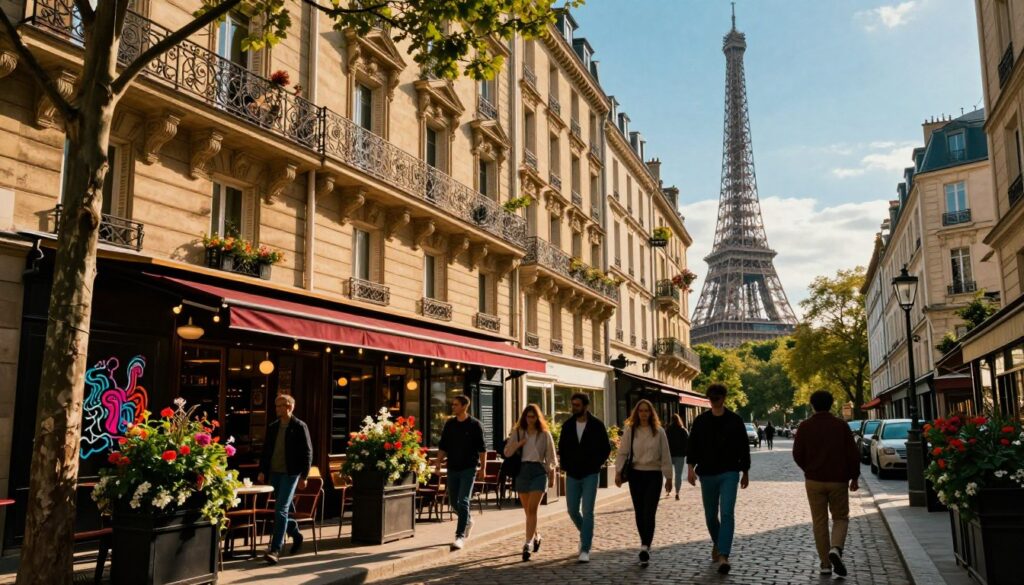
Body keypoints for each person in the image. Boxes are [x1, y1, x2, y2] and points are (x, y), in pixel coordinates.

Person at [793, 390, 861, 577]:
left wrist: (809, 468)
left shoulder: (805, 426)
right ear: (831, 405)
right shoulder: (841, 426)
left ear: (812, 405)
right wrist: (854, 476)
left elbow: (797, 453)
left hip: (814, 480)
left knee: (819, 521)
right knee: (840, 518)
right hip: (838, 480)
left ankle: (825, 564)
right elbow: (853, 454)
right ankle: (836, 548)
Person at [686, 383, 751, 575]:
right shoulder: (700, 421)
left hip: (729, 472)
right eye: (712, 398)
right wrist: (690, 468)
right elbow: (693, 445)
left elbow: (743, 447)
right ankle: (718, 542)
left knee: (727, 513)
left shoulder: (735, 420)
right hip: (707, 473)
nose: (715, 401)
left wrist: (745, 471)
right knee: (710, 516)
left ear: (724, 398)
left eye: (718, 397)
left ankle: (724, 555)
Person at [615, 399, 672, 567]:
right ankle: (644, 543)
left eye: (647, 411)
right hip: (636, 475)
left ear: (651, 413)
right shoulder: (630, 430)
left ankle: (646, 546)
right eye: (641, 411)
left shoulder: (659, 431)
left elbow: (666, 454)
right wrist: (618, 472)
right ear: (637, 413)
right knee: (639, 511)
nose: (644, 414)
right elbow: (623, 452)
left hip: (654, 474)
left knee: (649, 511)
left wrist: (669, 477)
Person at [258, 394, 313, 565]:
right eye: (276, 406)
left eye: (280, 406)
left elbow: (307, 452)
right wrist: (262, 471)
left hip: (291, 474)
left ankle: (275, 549)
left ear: (289, 407)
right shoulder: (273, 427)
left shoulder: (299, 426)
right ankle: (296, 535)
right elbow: (266, 450)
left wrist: (304, 476)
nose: (277, 409)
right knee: (283, 509)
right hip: (274, 473)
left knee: (280, 509)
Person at [557, 392, 611, 563]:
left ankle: (585, 548)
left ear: (586, 406)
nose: (574, 408)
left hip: (590, 474)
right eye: (572, 405)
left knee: (588, 511)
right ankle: (585, 534)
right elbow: (562, 447)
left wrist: (596, 464)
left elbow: (606, 448)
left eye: (577, 405)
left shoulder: (597, 425)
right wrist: (565, 466)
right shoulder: (567, 425)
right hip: (572, 474)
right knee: (572, 510)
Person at [504, 404, 557, 561]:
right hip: (522, 472)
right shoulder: (518, 432)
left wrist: (552, 475)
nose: (530, 419)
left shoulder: (544, 434)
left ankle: (527, 544)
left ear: (538, 417)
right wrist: (518, 444)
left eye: (533, 416)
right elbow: (507, 452)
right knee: (528, 511)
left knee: (533, 509)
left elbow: (551, 456)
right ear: (524, 417)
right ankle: (536, 536)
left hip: (538, 472)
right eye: (528, 416)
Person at [435, 394, 486, 551]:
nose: (453, 407)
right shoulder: (450, 424)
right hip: (453, 467)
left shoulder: (475, 425)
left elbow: (482, 449)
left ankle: (460, 536)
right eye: (453, 404)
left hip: (469, 468)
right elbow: (443, 446)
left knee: (463, 501)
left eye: (456, 404)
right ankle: (468, 520)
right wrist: (438, 463)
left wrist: (483, 468)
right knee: (453, 502)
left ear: (464, 406)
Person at [666, 414, 689, 500]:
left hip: (669, 455)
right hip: (680, 455)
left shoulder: (668, 430)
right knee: (678, 475)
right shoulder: (683, 430)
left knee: (668, 474)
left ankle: (668, 490)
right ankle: (677, 492)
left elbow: (664, 443)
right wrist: (685, 452)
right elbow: (687, 443)